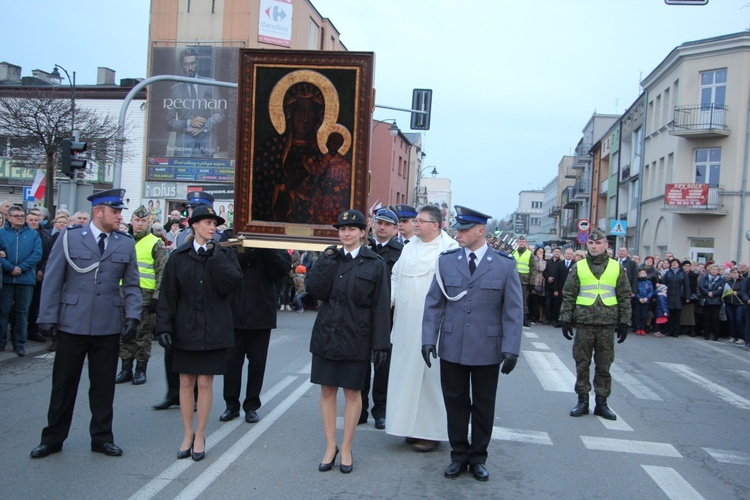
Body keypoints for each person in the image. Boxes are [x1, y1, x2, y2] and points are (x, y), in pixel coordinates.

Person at [31, 189, 141, 459]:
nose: (119, 216)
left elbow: (132, 284)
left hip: (107, 324)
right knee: (64, 385)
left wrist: (133, 316)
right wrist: (47, 317)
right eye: (114, 211)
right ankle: (53, 438)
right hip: (72, 323)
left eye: (120, 212)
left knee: (103, 386)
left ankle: (102, 438)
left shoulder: (125, 243)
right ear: (98, 211)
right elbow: (54, 278)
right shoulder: (70, 238)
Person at [422, 205, 523, 482]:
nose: (459, 234)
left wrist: (511, 348)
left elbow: (513, 311)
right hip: (453, 345)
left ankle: (478, 457)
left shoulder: (504, 264)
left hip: (487, 349)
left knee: (483, 405)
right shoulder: (446, 261)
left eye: (464, 229)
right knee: (455, 404)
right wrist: (428, 339)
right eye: (458, 229)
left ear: (481, 231)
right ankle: (458, 455)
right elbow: (434, 304)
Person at [305, 209, 390, 474]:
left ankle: (347, 446)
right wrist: (327, 262)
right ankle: (330, 446)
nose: (346, 233)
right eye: (342, 229)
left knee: (353, 393)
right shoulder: (331, 258)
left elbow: (380, 307)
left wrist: (380, 344)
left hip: (357, 336)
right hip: (327, 333)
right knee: (327, 390)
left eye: (352, 229)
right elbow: (314, 290)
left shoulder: (375, 264)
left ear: (363, 232)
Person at [155, 205, 242, 462]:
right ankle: (187, 434)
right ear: (194, 225)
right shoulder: (179, 256)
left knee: (205, 382)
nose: (212, 227)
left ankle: (201, 435)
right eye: (207, 222)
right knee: (185, 382)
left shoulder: (223, 254)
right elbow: (168, 295)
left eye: (214, 223)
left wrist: (214, 256)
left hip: (214, 326)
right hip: (186, 326)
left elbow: (232, 283)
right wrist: (163, 327)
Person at [387, 204, 457, 452]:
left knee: (430, 379)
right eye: (415, 220)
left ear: (435, 226)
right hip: (405, 325)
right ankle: (406, 426)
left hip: (433, 328)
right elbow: (396, 277)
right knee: (404, 376)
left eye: (420, 221)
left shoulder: (449, 250)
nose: (415, 224)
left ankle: (430, 431)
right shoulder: (409, 248)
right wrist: (389, 301)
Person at [153, 191, 221, 410]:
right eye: (191, 209)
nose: (192, 213)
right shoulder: (182, 236)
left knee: (200, 368)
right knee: (173, 354)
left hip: (207, 312)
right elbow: (170, 288)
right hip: (183, 311)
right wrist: (164, 324)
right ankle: (175, 393)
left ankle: (193, 396)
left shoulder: (218, 240)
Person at [559, 228, 631, 421]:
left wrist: (624, 322)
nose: (594, 246)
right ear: (587, 245)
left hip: (607, 323)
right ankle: (582, 400)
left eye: (598, 243)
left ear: (606, 245)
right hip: (584, 322)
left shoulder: (616, 267)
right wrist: (565, 318)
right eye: (591, 243)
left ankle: (602, 402)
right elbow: (569, 294)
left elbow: (624, 295)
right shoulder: (579, 266)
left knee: (604, 364)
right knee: (582, 363)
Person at [221, 247, 290, 424]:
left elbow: (279, 272)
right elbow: (226, 268)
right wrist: (249, 254)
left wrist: (266, 249)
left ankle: (251, 406)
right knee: (231, 363)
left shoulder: (274, 245)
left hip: (261, 313)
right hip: (235, 312)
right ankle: (231, 405)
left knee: (257, 364)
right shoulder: (233, 240)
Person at [360, 207, 403, 429]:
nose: (382, 227)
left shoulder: (400, 252)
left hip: (387, 315)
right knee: (360, 363)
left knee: (383, 363)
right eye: (379, 223)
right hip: (363, 312)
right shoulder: (364, 247)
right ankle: (360, 408)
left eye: (387, 224)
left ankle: (381, 410)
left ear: (396, 229)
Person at [114, 206, 167, 386]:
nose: (139, 224)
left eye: (143, 221)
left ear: (149, 223)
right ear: (131, 221)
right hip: (123, 295)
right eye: (137, 220)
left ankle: (140, 369)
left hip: (145, 295)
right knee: (124, 333)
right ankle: (125, 368)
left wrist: (156, 297)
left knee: (142, 334)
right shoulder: (123, 240)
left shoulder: (155, 242)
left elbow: (162, 272)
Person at [167, 47, 224, 158]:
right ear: (181, 65)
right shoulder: (175, 90)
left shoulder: (210, 84)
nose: (190, 68)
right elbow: (168, 122)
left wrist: (205, 125)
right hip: (183, 148)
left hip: (206, 146)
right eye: (186, 64)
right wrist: (188, 123)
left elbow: (220, 113)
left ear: (197, 63)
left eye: (192, 64)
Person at [0, 206, 42, 356]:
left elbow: (37, 254)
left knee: (22, 312)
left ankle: (19, 343)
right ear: (9, 218)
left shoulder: (33, 234)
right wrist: (10, 268)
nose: (19, 217)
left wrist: (21, 268)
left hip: (25, 279)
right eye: (16, 215)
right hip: (6, 278)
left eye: (21, 215)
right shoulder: (1, 233)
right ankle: (1, 342)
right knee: (3, 311)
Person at [25, 210, 53, 345]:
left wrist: (42, 270)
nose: (34, 222)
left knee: (36, 305)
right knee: (22, 306)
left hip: (40, 275)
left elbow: (49, 255)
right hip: (25, 274)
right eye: (31, 220)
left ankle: (33, 330)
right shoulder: (23, 235)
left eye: (36, 220)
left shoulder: (46, 235)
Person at [662, 258, 690, 337]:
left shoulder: (682, 273)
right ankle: (669, 330)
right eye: (672, 263)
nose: (674, 264)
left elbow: (686, 286)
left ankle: (676, 331)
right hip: (669, 296)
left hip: (679, 296)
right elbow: (663, 285)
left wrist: (687, 297)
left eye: (675, 263)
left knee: (677, 315)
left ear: (678, 264)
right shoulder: (668, 273)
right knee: (669, 314)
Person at [511, 235, 536, 327]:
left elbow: (533, 269)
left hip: (525, 281)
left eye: (523, 241)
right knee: (513, 299)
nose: (522, 243)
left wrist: (532, 282)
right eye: (520, 241)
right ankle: (514, 318)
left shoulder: (529, 254)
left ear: (526, 243)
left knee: (524, 300)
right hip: (513, 279)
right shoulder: (513, 252)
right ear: (517, 242)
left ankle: (525, 319)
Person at [723, 267, 745, 344]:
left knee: (738, 319)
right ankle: (733, 336)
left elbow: (744, 291)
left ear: (738, 274)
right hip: (729, 303)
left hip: (739, 303)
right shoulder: (728, 282)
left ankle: (741, 337)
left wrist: (737, 293)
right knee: (731, 320)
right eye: (732, 273)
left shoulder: (742, 282)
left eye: (735, 273)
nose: (733, 274)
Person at [543, 247, 562, 326]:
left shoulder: (561, 263)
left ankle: (555, 319)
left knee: (556, 303)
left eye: (558, 252)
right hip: (548, 285)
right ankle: (548, 318)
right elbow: (544, 271)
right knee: (547, 302)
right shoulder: (548, 262)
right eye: (556, 251)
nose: (557, 253)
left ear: (560, 254)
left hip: (557, 286)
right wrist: (548, 278)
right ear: (553, 252)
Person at [634, 269, 655, 335]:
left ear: (646, 274)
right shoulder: (637, 282)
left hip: (646, 301)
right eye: (640, 273)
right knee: (638, 315)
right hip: (638, 301)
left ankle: (643, 328)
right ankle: (638, 328)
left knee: (644, 315)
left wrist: (647, 298)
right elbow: (635, 291)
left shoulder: (648, 282)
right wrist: (639, 298)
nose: (642, 274)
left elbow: (651, 291)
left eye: (643, 273)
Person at [530, 246, 547, 323]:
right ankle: (529, 316)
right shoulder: (532, 259)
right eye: (539, 251)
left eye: (542, 251)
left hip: (539, 282)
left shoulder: (544, 261)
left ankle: (535, 316)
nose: (540, 252)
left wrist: (540, 259)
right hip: (531, 280)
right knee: (530, 299)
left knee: (537, 300)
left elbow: (541, 268)